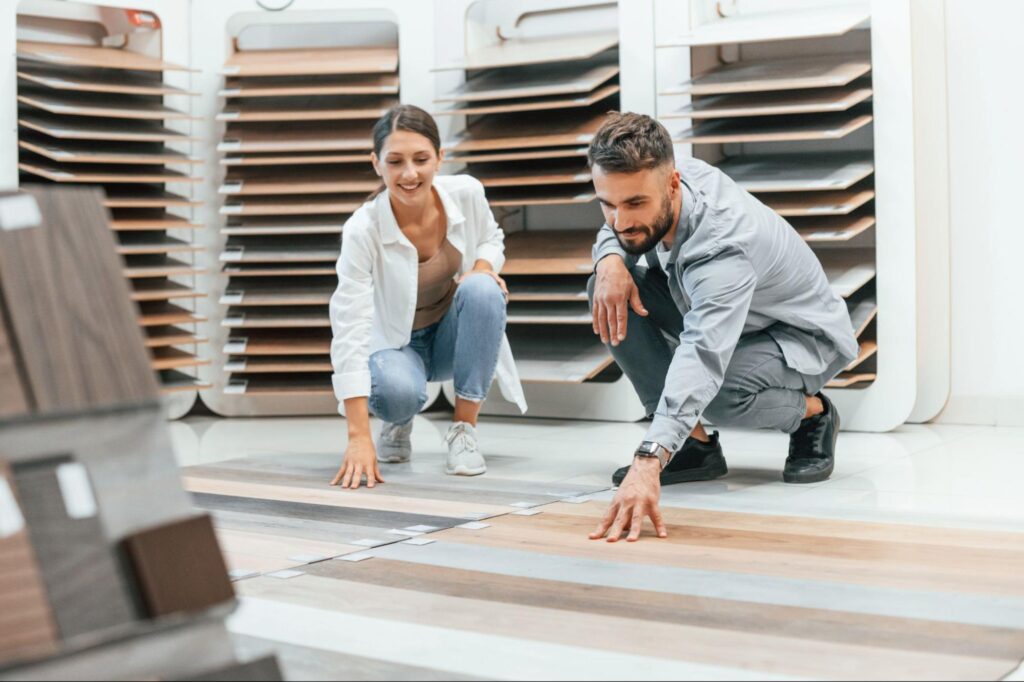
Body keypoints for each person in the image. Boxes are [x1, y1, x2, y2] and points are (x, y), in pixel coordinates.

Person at [587, 112, 859, 542]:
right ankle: (694, 448)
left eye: (635, 204)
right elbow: (615, 231)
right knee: (607, 287)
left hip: (796, 335)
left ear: (671, 184)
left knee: (716, 393)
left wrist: (648, 459)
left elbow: (702, 355)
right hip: (720, 311)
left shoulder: (724, 247)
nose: (620, 221)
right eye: (607, 204)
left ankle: (814, 414)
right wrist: (609, 259)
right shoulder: (666, 173)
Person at [328, 105, 526, 489]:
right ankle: (397, 421)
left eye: (421, 159)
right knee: (397, 394)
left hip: (450, 335)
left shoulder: (466, 193)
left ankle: (464, 431)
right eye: (395, 161)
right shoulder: (361, 230)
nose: (409, 173)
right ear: (376, 163)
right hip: (395, 348)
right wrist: (358, 437)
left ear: (440, 157)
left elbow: (491, 238)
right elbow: (349, 325)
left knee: (483, 288)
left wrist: (483, 265)